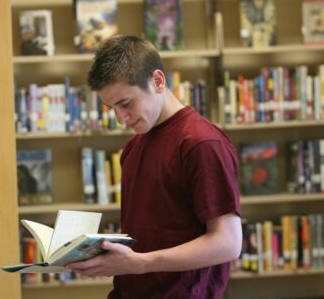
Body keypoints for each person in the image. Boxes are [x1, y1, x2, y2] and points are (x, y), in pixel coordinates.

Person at [66, 34, 242, 299]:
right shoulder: (134, 147)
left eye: (126, 103)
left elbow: (228, 243)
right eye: (111, 107)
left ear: (158, 81)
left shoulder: (202, 144)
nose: (120, 118)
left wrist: (141, 263)